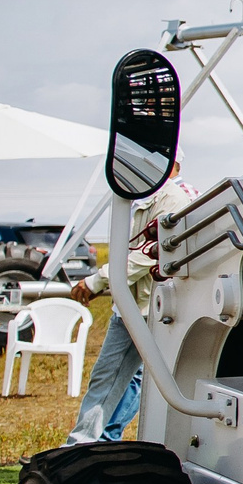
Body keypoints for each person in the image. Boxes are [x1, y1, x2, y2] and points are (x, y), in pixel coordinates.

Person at [65, 181, 199, 443]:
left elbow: (152, 253)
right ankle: (86, 445)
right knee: (111, 377)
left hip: (157, 309)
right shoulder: (135, 200)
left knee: (151, 382)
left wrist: (98, 281)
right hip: (133, 307)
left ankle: (92, 443)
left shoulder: (172, 199)